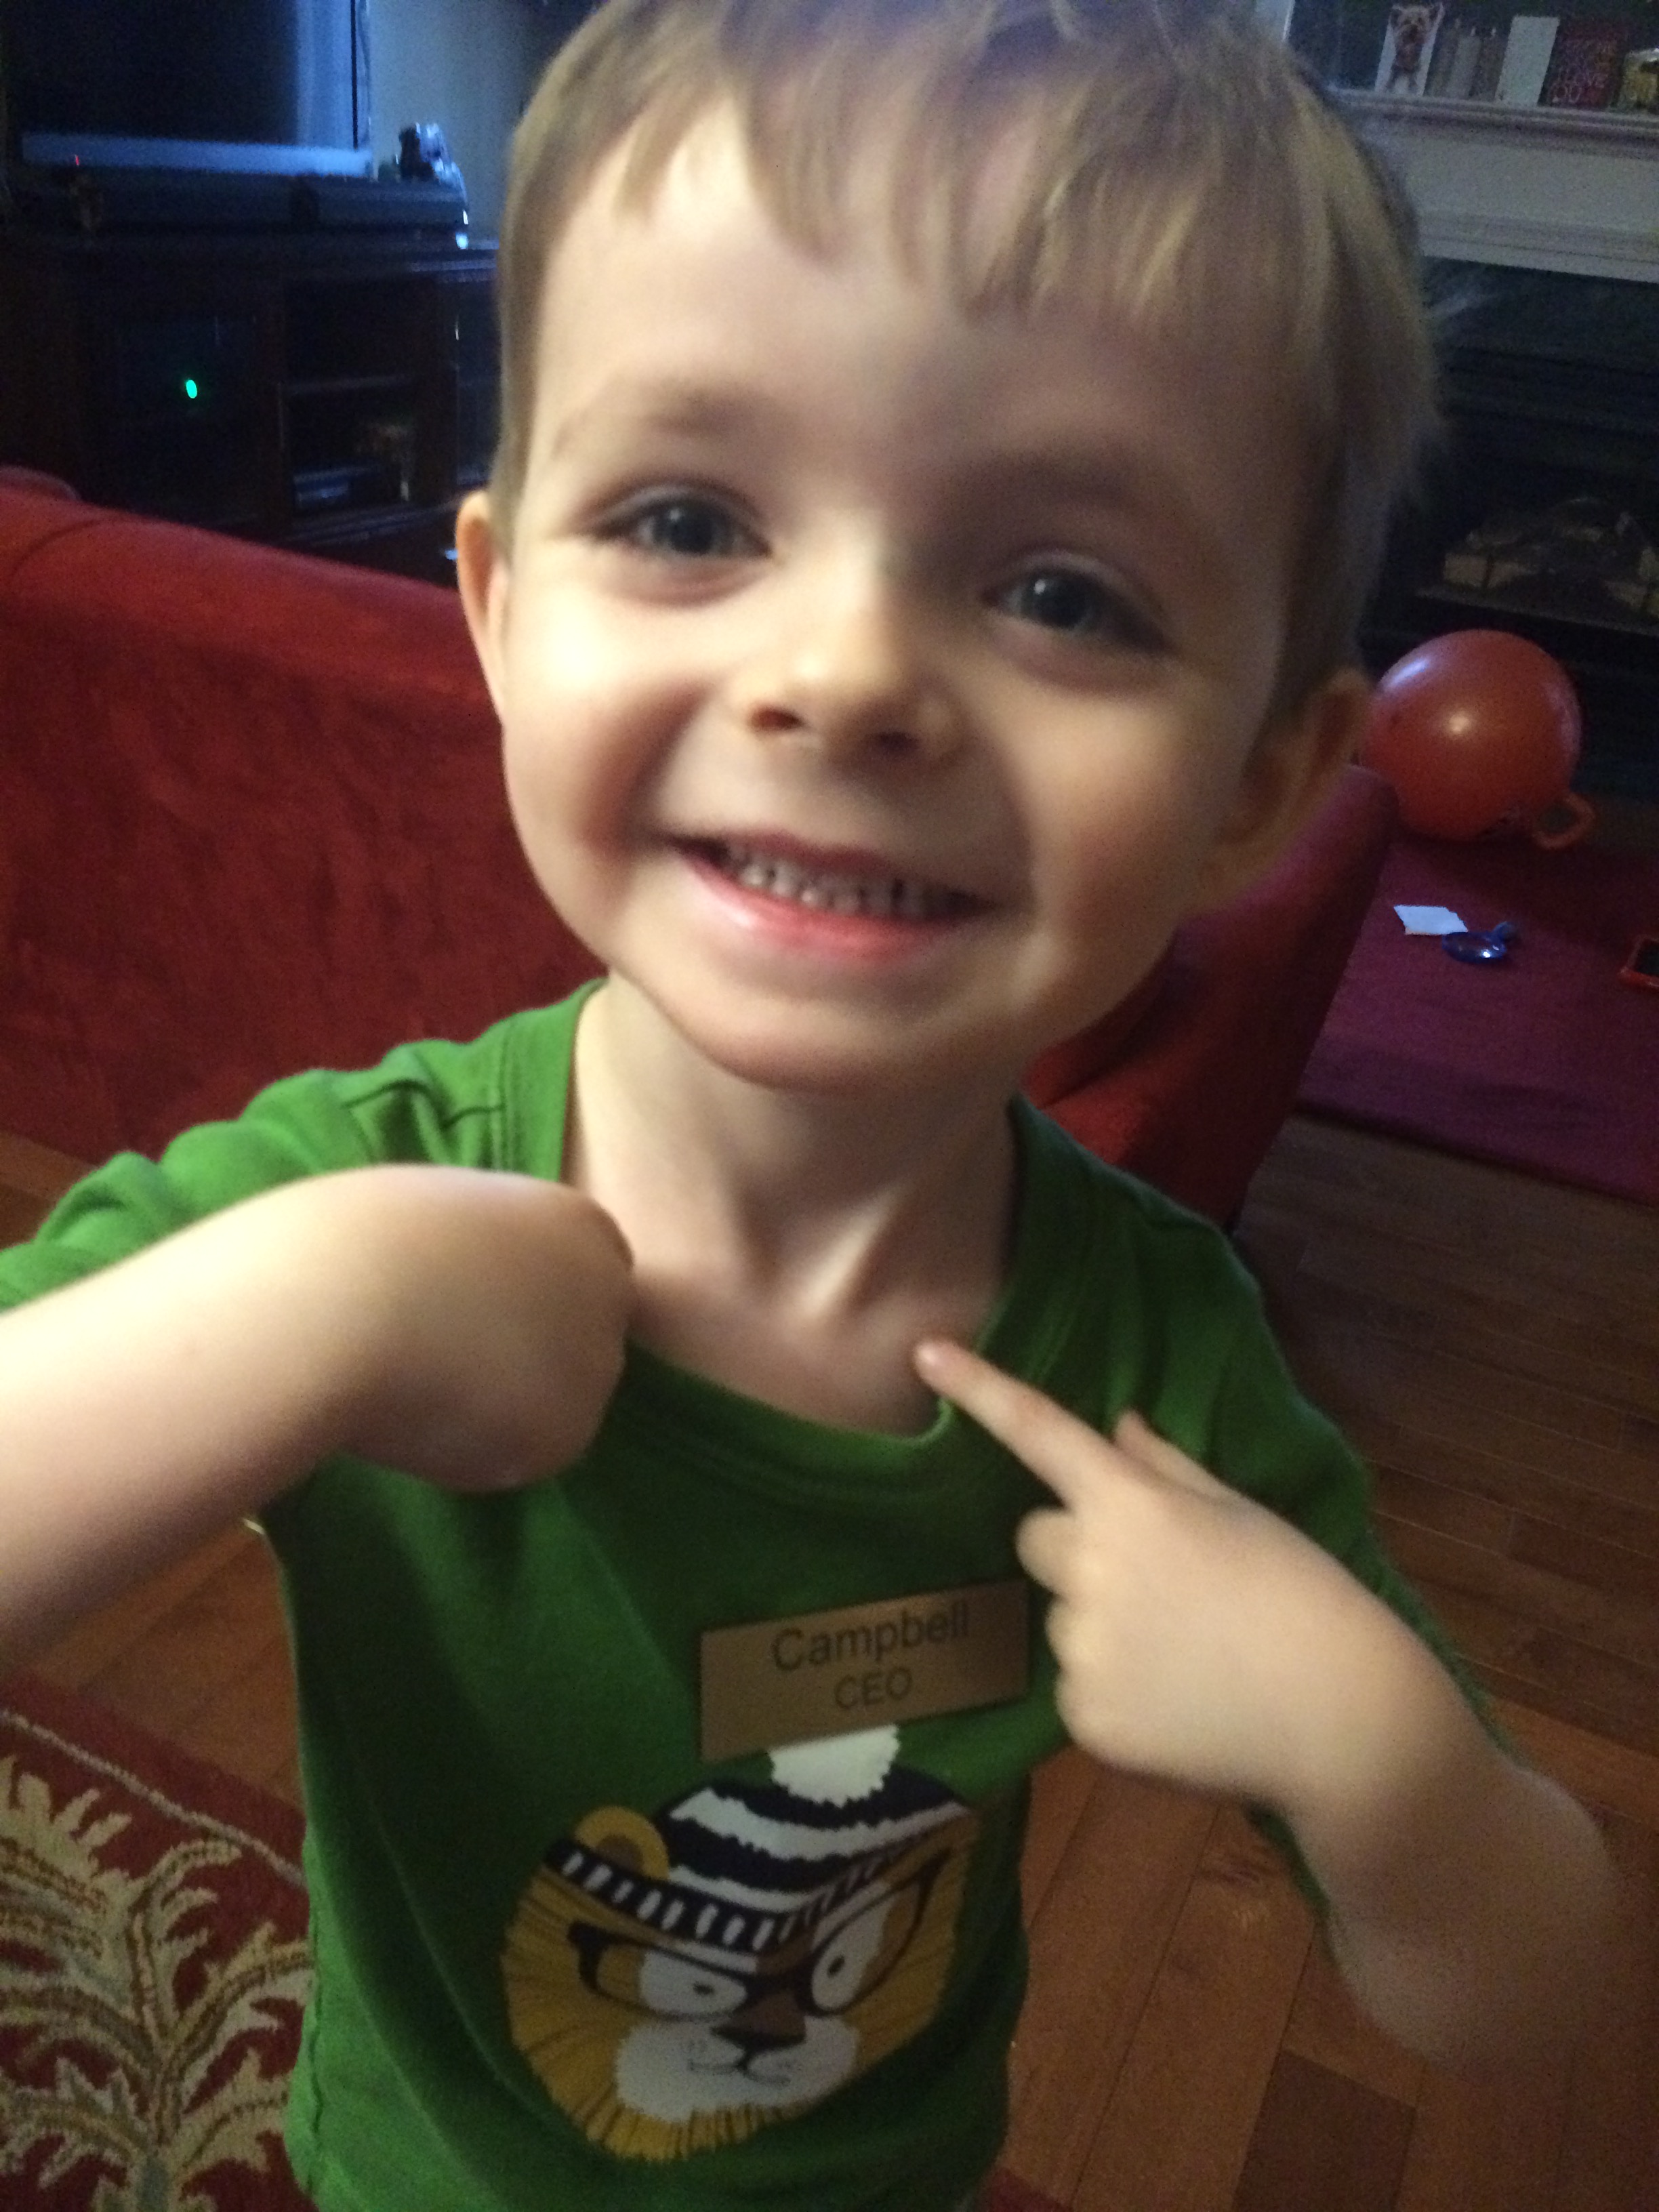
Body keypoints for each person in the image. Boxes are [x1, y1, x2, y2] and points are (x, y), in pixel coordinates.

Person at [0, 0, 1624, 2206]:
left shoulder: (1151, 1357)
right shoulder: (358, 1199)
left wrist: (1387, 1767)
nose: (848, 677)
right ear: (499, 613)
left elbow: (1538, 2002)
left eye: (1062, 593)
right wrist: (318, 1313)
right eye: (690, 517)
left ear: (1261, 783)